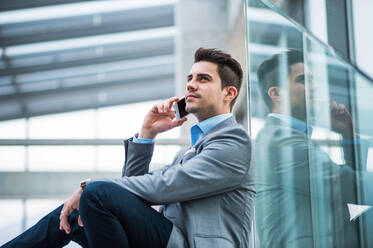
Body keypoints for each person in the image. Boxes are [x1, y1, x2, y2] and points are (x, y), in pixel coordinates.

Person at [2, 48, 254, 248]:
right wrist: (146, 135)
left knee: (97, 192)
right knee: (75, 214)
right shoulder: (187, 151)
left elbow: (167, 185)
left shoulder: (234, 141)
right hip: (170, 239)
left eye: (203, 79)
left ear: (228, 93)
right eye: (189, 78)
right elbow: (129, 192)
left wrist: (95, 187)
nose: (190, 84)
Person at [254, 50, 370, 247]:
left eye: (313, 79)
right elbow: (346, 185)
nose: (315, 87)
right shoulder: (278, 140)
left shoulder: (293, 137)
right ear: (276, 94)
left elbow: (348, 190)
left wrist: (347, 135)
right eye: (303, 81)